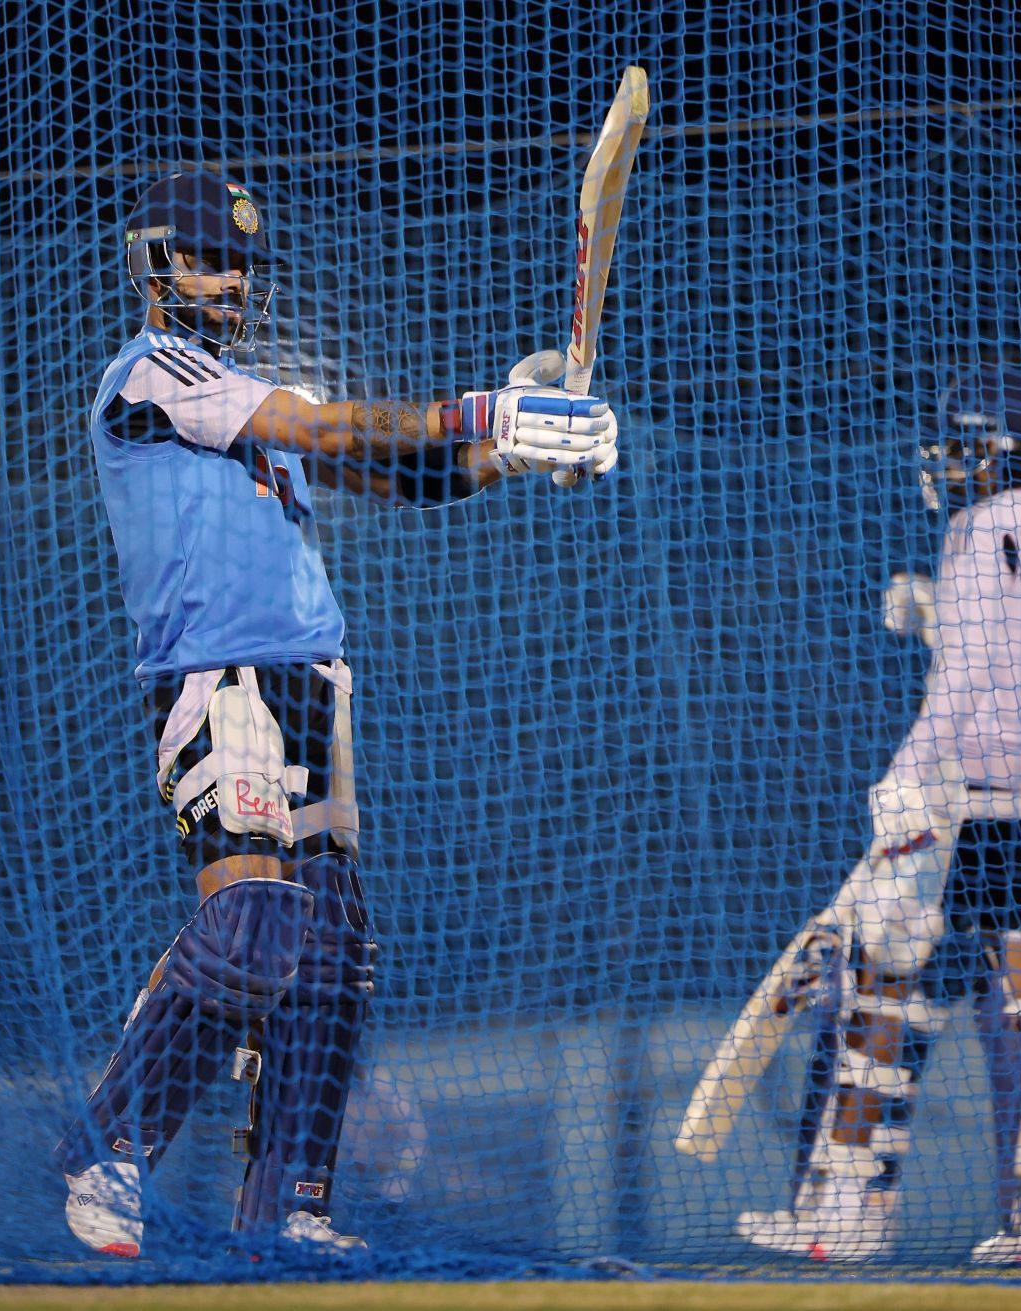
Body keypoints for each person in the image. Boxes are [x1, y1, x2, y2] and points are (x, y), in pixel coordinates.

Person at [53, 171, 619, 1258]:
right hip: (219, 680)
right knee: (254, 929)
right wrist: (486, 408)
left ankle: (288, 1211)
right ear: (156, 263)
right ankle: (105, 1151)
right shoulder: (154, 371)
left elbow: (400, 474)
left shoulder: (246, 391)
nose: (233, 280)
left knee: (333, 950)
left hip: (314, 683)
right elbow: (341, 425)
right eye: (212, 257)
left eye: (242, 263)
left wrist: (519, 450)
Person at [734, 365, 1021, 1264]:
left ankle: (853, 1210)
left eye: (958, 452)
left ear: (991, 452)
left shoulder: (981, 530)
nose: (946, 469)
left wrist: (905, 778)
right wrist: (937, 618)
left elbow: (967, 681)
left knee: (878, 999)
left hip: (955, 798)